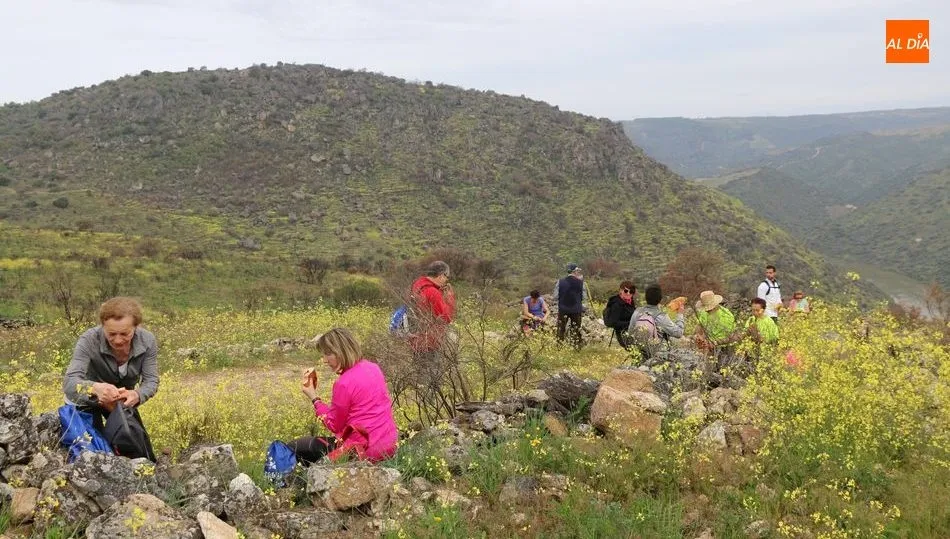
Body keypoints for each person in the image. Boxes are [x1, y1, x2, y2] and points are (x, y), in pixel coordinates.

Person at [62, 297, 159, 458]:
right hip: (86, 399)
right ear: (102, 326)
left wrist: (136, 394)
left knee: (139, 451)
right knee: (92, 454)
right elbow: (70, 382)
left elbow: (151, 381)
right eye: (111, 334)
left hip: (120, 401)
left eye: (125, 334)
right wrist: (95, 389)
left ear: (136, 327)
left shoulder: (147, 341)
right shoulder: (88, 340)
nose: (118, 340)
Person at [292, 328, 398, 463]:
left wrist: (314, 398)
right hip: (389, 445)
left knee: (296, 447)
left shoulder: (343, 383)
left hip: (363, 451)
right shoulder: (373, 368)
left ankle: (289, 481)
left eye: (328, 354)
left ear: (342, 351)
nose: (324, 360)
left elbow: (334, 424)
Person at [408, 260, 456, 353]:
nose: (446, 280)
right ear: (441, 275)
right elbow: (446, 318)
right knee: (432, 367)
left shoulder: (417, 285)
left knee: (419, 366)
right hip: (430, 342)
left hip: (416, 339)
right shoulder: (432, 292)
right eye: (447, 277)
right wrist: (450, 297)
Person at [628, 284, 685, 352]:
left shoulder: (637, 311)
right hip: (658, 353)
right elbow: (679, 333)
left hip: (640, 350)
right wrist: (680, 314)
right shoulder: (661, 316)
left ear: (646, 298)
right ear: (660, 299)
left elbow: (630, 332)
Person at [552, 263, 586, 347]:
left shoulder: (560, 282)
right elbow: (584, 297)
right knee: (576, 329)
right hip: (576, 309)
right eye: (578, 271)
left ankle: (559, 346)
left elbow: (555, 297)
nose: (578, 272)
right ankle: (576, 346)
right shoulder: (581, 283)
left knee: (561, 329)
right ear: (574, 271)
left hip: (563, 309)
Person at [604, 281, 637, 347]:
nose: (628, 293)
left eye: (631, 292)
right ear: (620, 290)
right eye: (626, 291)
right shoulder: (617, 305)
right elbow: (613, 323)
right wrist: (631, 323)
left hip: (630, 332)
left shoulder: (630, 301)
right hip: (623, 335)